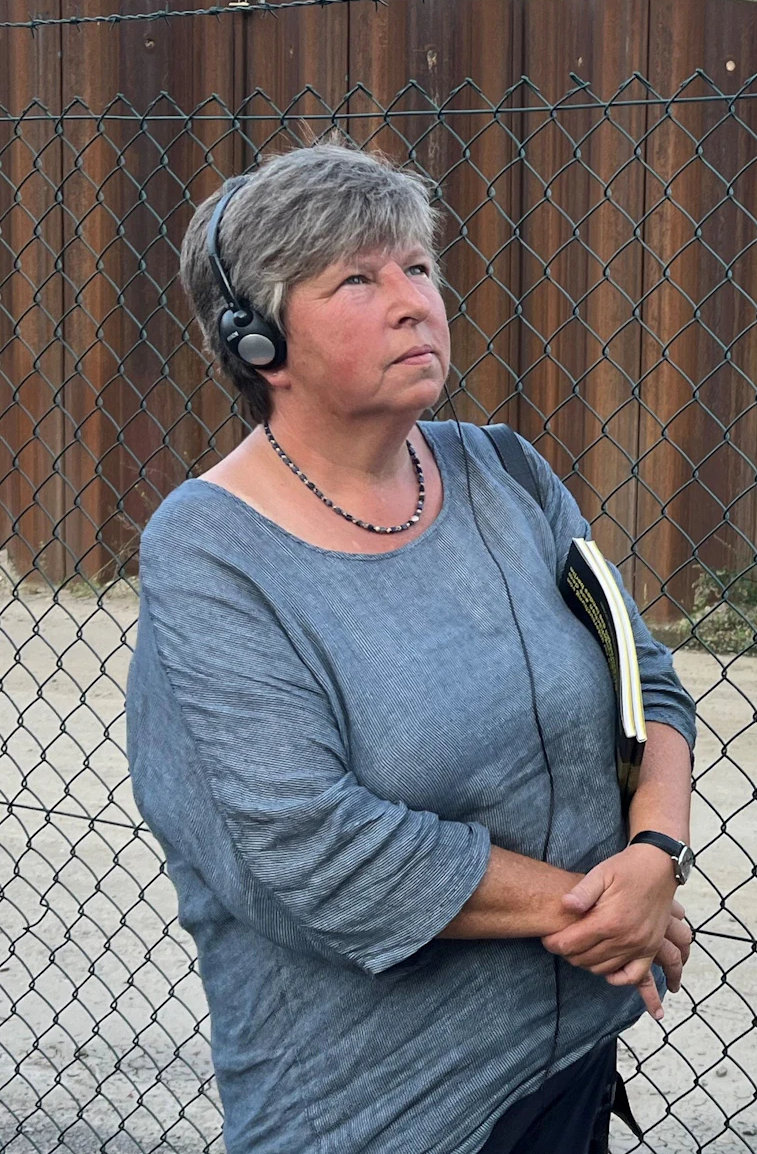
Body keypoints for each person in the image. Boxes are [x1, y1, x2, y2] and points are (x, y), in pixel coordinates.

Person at [126, 142, 700, 1154]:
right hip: (378, 1107)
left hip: (562, 1069)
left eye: (418, 268)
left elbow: (643, 682)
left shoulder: (506, 475)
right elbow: (319, 850)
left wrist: (652, 856)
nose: (411, 301)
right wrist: (608, 910)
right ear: (258, 340)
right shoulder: (211, 551)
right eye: (357, 278)